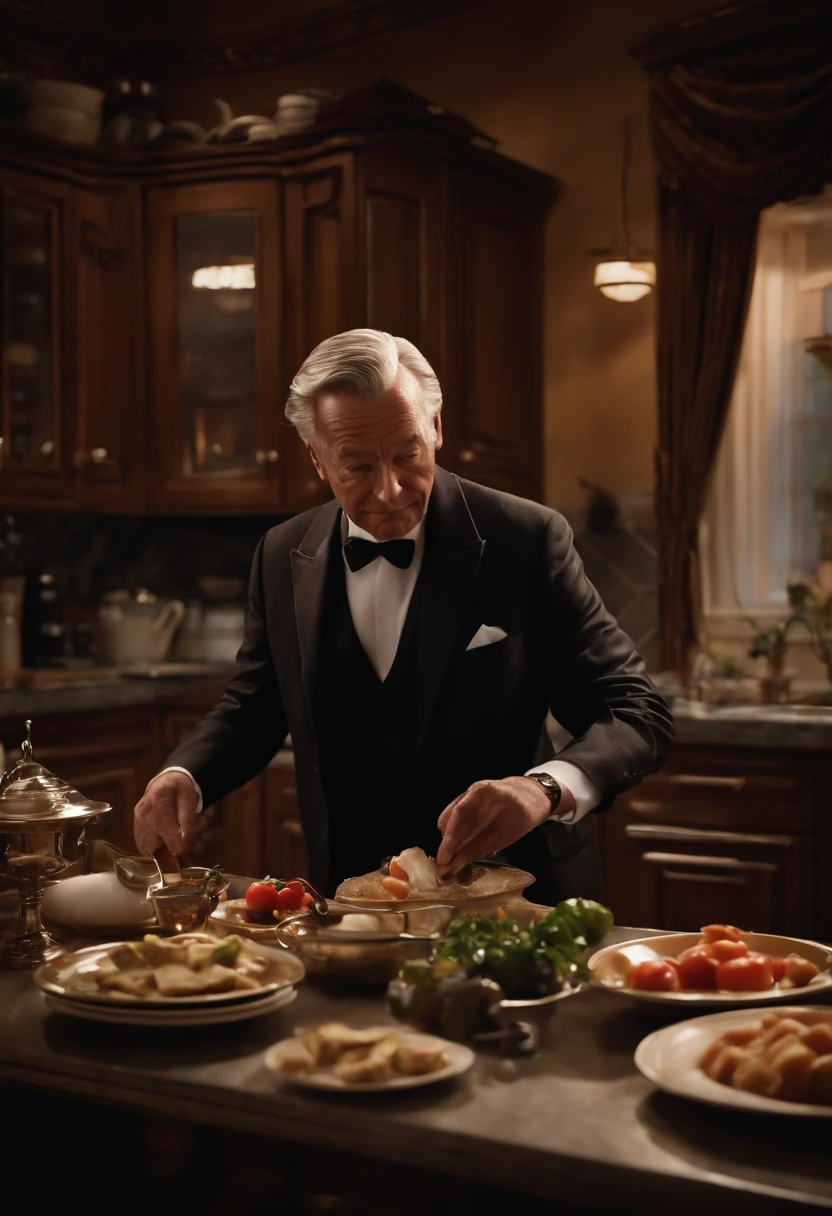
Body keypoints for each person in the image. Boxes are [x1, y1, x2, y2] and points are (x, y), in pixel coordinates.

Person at [134, 329, 673, 903]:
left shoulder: (526, 539)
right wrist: (184, 774)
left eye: (407, 455)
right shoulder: (280, 553)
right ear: (318, 459)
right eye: (357, 467)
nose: (389, 490)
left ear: (436, 430)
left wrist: (543, 788)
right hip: (350, 904)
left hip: (514, 897)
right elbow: (255, 706)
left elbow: (635, 712)